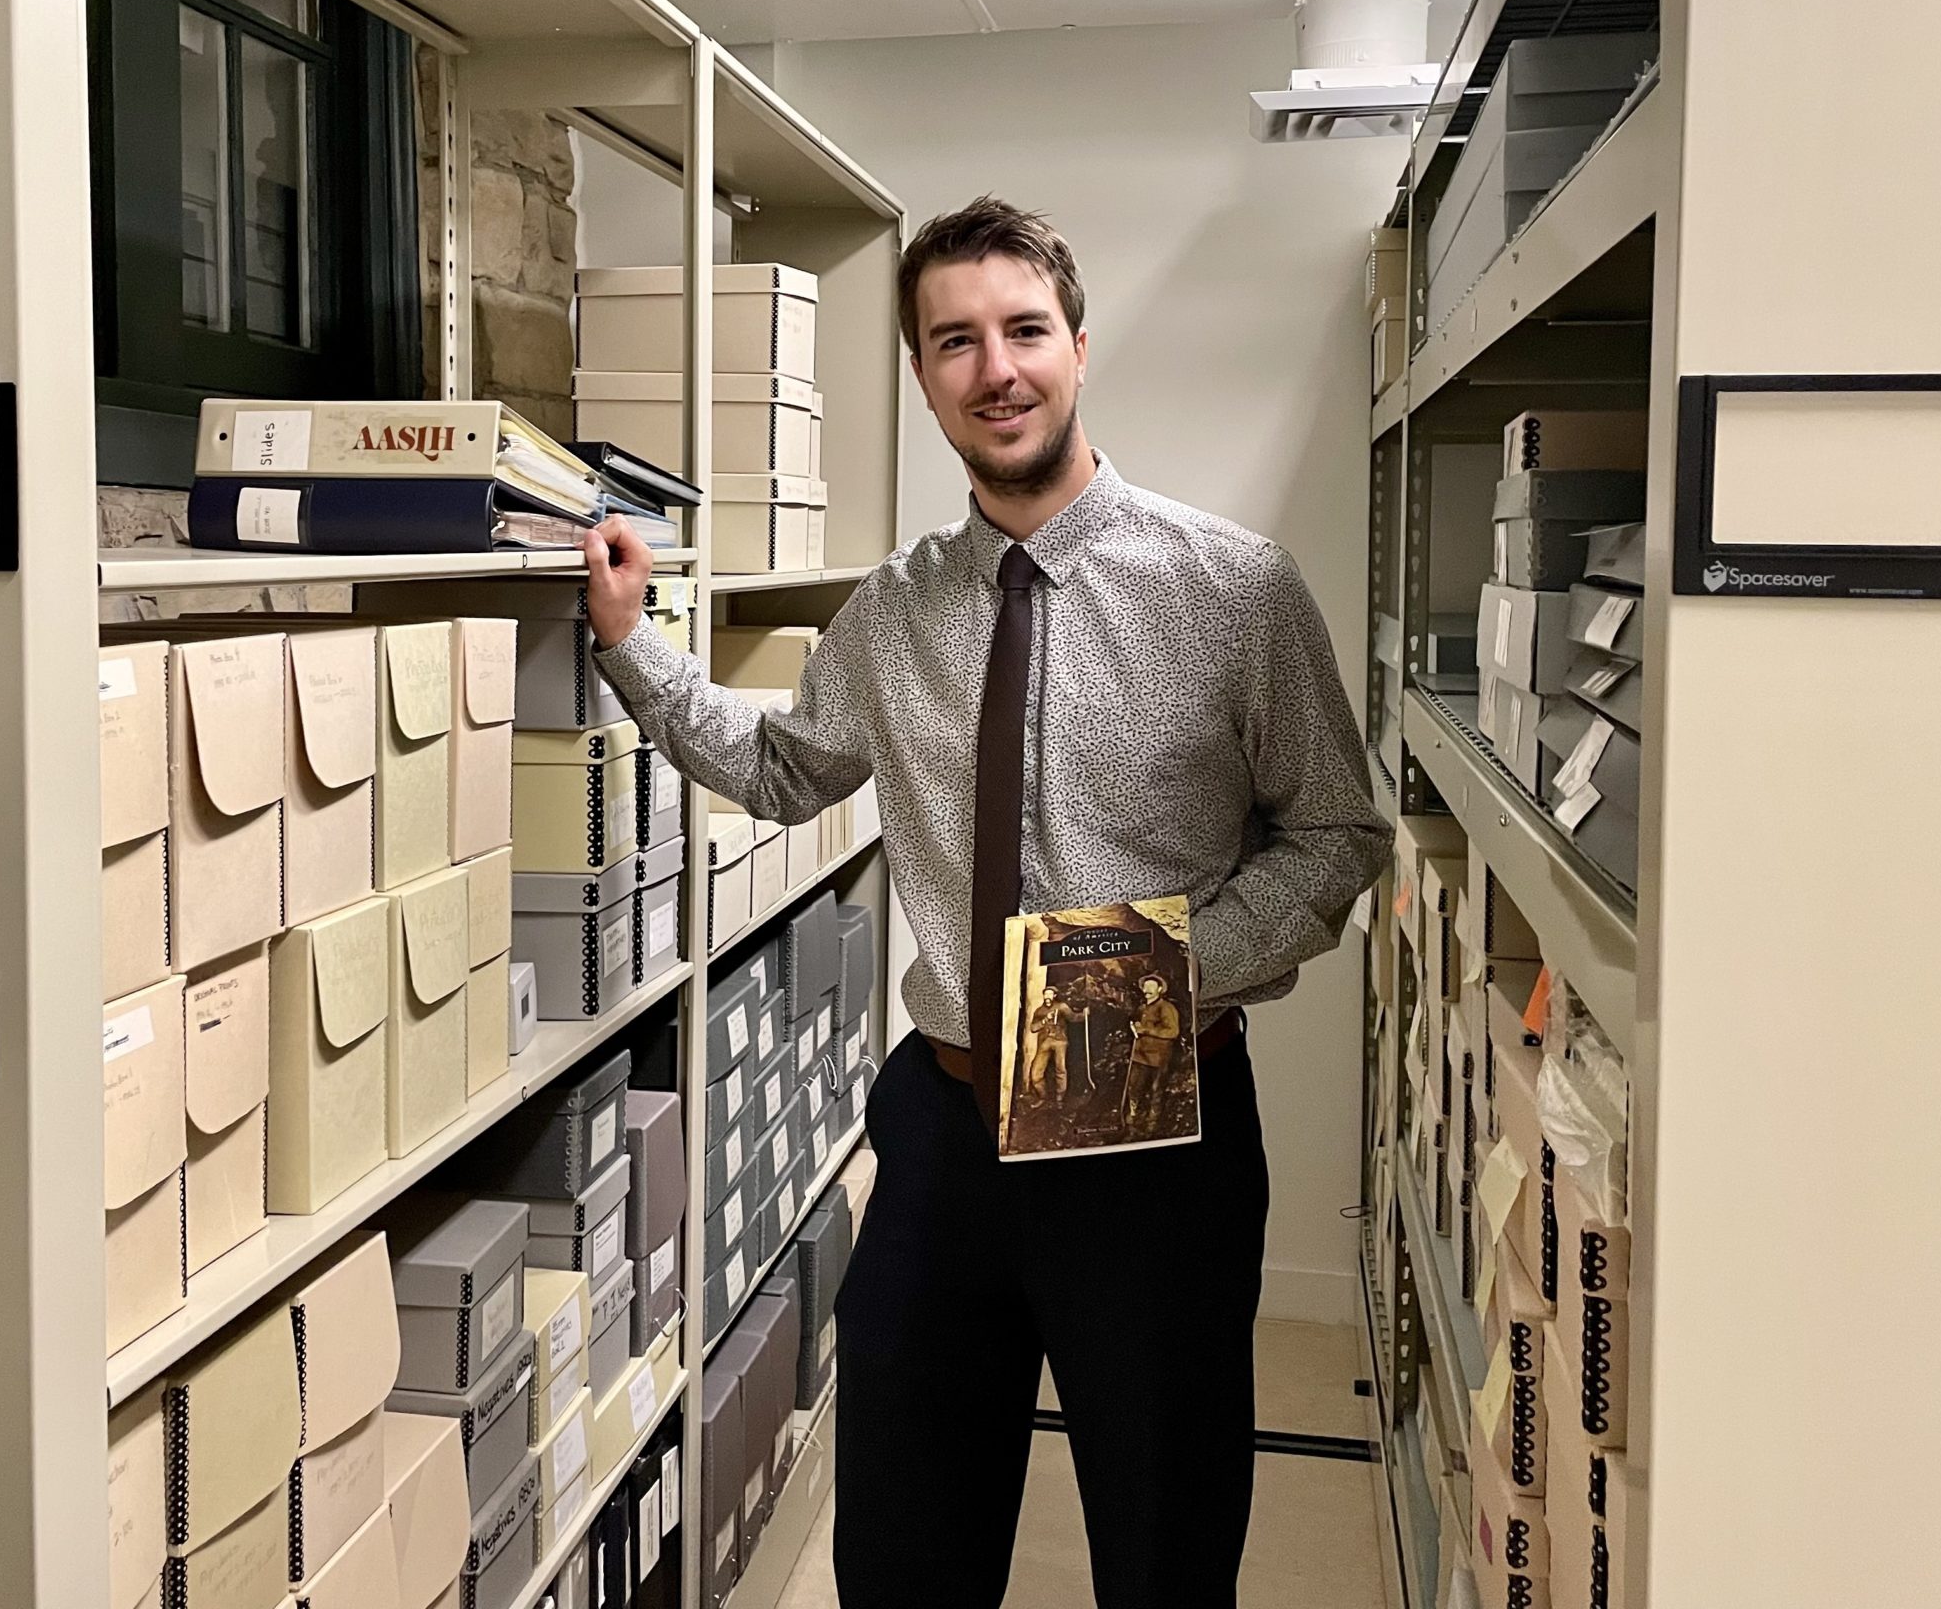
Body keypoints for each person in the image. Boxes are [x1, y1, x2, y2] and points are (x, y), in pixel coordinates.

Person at [582, 195, 1385, 1609]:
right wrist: (633, 646)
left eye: (1023, 331)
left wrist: (1158, 984)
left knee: (1163, 1541)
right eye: (954, 342)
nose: (994, 369)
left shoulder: (1233, 590)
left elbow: (1335, 834)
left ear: (1080, 345)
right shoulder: (891, 615)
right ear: (921, 372)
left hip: (1157, 1134)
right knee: (904, 1546)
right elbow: (781, 772)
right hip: (951, 1125)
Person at [1122, 973, 1181, 1135]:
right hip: (1140, 1055)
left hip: (1158, 1057)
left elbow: (1173, 1031)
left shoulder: (1166, 1007)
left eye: (1151, 986)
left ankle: (1152, 1125)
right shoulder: (1142, 1008)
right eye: (1145, 986)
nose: (1147, 990)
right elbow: (1137, 1026)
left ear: (1160, 989)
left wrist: (1146, 1029)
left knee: (1156, 1090)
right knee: (1134, 1088)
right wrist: (1135, 1026)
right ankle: (1132, 1119)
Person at [1024, 983, 1085, 1107]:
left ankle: (1059, 1099)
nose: (1047, 996)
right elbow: (1033, 1028)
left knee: (1060, 1070)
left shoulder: (1062, 1007)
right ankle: (1042, 1097)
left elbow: (1073, 1018)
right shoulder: (1039, 1011)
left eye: (1050, 994)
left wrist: (1085, 1014)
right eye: (1046, 994)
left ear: (1055, 995)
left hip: (1060, 1042)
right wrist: (1044, 1020)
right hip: (1044, 1043)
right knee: (1036, 1073)